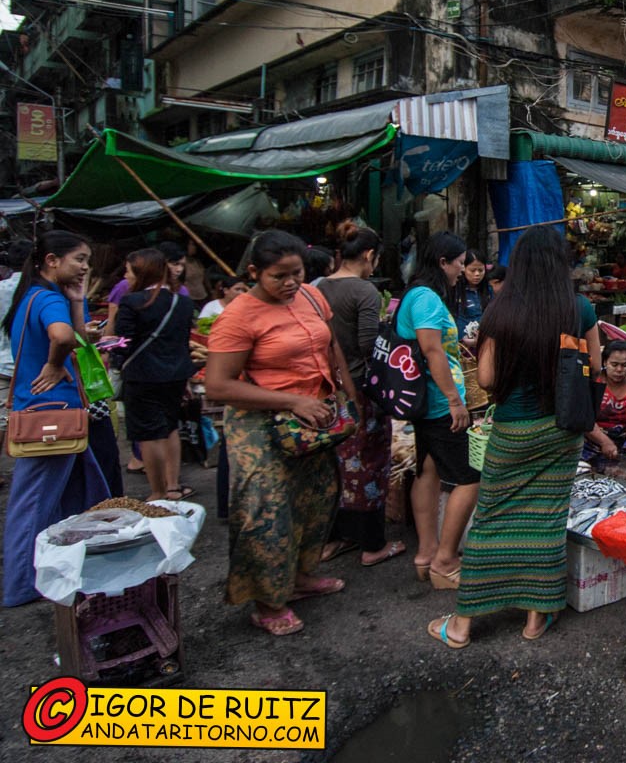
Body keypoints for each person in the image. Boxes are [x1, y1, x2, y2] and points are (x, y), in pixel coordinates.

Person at [427, 227, 600, 647]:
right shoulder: (579, 308)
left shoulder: (500, 311)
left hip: (513, 430)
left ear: (519, 265)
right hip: (561, 431)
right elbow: (594, 365)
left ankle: (464, 624)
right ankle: (535, 618)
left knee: (491, 519)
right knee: (546, 517)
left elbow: (485, 377)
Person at [206, 230, 359, 635]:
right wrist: (291, 402)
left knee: (315, 500)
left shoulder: (311, 295)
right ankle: (267, 602)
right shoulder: (238, 316)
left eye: (298, 272)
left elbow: (331, 345)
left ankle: (300, 578)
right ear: (254, 272)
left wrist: (346, 391)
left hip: (315, 416)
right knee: (267, 513)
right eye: (280, 276)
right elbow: (218, 385)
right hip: (263, 425)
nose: (291, 283)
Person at [2, 232, 116, 607]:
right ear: (51, 260)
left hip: (56, 416)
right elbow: (64, 336)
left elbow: (78, 334)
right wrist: (54, 365)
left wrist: (79, 300)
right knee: (33, 504)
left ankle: (65, 569)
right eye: (79, 259)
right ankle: (21, 585)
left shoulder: (34, 297)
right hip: (53, 418)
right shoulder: (47, 298)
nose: (85, 267)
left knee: (83, 497)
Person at [317, 222, 404, 568]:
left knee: (340, 463)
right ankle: (372, 544)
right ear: (369, 255)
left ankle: (336, 537)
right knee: (370, 463)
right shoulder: (364, 291)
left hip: (330, 388)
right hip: (362, 389)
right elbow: (369, 344)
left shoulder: (320, 287)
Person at [396, 232, 474, 590]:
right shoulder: (427, 298)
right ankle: (445, 561)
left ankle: (425, 554)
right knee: (470, 478)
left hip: (425, 402)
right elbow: (432, 351)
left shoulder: (415, 293)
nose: (463, 269)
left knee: (427, 470)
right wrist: (455, 401)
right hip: (439, 403)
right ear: (442, 262)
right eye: (459, 262)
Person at [110, 248, 196, 503]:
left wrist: (113, 357)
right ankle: (172, 486)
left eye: (128, 271)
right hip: (177, 374)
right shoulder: (183, 302)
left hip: (143, 375)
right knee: (169, 427)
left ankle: (157, 493)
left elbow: (123, 343)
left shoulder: (133, 301)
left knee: (149, 433)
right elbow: (184, 341)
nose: (126, 276)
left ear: (141, 272)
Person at [0, 241, 34, 446]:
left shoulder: (2, 288)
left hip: (2, 362)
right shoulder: (41, 289)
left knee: (1, 419)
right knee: (35, 417)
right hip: (36, 365)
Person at [455, 251, 490, 342]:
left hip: (484, 341)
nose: (477, 274)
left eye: (481, 270)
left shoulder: (489, 290)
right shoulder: (455, 290)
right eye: (472, 270)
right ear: (463, 269)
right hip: (461, 344)